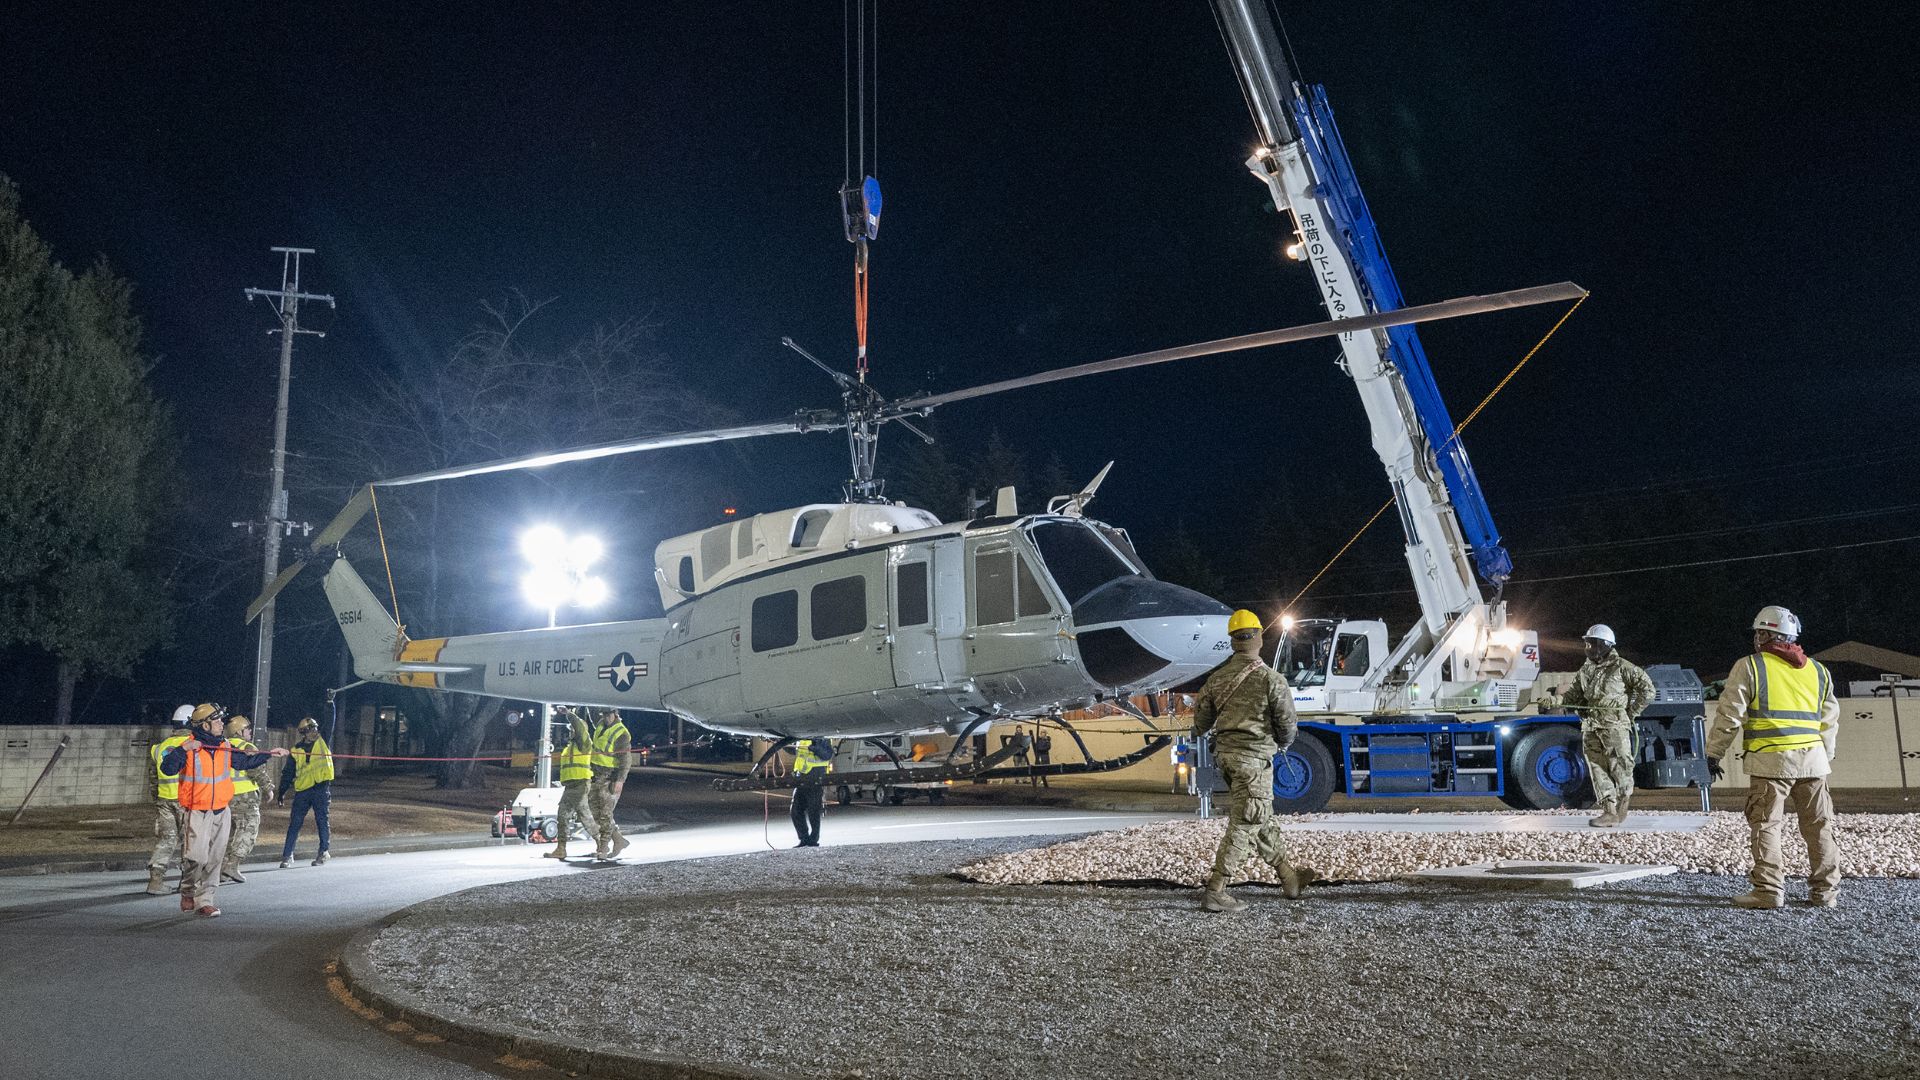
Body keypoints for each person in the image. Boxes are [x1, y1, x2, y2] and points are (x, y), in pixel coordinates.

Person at [1703, 606, 1841, 909]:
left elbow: (1729, 716)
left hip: (1770, 763)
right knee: (1819, 827)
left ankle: (1768, 891)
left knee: (1766, 825)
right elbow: (1829, 720)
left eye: (1759, 633)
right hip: (1814, 763)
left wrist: (1713, 753)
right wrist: (1824, 756)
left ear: (1769, 635)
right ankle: (1825, 893)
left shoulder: (1750, 666)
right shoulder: (1818, 671)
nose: (1756, 638)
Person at [1191, 609, 1314, 912]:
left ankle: (1289, 879)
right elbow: (1287, 725)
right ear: (1258, 638)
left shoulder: (1216, 680)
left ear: (1233, 641)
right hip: (1254, 760)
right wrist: (1282, 743)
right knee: (1247, 820)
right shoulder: (1271, 679)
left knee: (1261, 817)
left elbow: (1201, 724)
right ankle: (1216, 890)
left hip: (1227, 759)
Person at [157, 703, 287, 916]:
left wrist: (269, 754)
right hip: (197, 811)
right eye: (217, 720)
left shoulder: (224, 745)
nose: (221, 724)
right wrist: (183, 750)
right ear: (205, 725)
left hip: (221, 810)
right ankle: (188, 891)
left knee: (215, 859)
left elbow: (244, 762)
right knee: (196, 857)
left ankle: (205, 901)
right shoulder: (188, 746)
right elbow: (168, 768)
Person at [1553, 624, 1656, 827]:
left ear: (1605, 645)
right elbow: (1573, 695)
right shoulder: (1586, 669)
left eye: (1592, 643)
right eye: (1587, 643)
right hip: (1591, 726)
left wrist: (1630, 712)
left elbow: (1648, 690)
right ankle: (1609, 811)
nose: (1589, 647)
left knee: (1620, 766)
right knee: (1597, 769)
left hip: (1614, 727)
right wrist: (1555, 701)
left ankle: (1623, 802)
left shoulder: (1622, 667)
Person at [145, 705, 194, 895]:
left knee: (166, 840)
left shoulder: (159, 747)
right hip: (186, 801)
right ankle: (187, 883)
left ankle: (155, 881)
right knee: (189, 842)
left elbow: (153, 779)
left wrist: (157, 800)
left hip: (164, 800)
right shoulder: (193, 745)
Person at [276, 717, 335, 867]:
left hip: (321, 788)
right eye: (310, 730)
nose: (314, 732)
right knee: (295, 823)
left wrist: (330, 705)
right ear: (304, 733)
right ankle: (287, 855)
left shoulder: (323, 741)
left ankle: (323, 852)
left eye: (315, 728)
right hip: (303, 791)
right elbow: (288, 773)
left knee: (322, 821)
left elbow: (330, 719)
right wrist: (281, 792)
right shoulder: (296, 750)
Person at [544, 707, 599, 860]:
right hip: (571, 786)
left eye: (573, 729)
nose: (571, 731)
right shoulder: (571, 747)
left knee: (576, 816)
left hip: (580, 785)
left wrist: (569, 714)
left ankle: (601, 844)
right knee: (573, 816)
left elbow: (580, 728)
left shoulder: (584, 743)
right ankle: (563, 848)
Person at [219, 715, 268, 883]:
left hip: (227, 797)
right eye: (247, 729)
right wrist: (268, 787)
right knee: (248, 831)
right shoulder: (247, 747)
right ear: (239, 731)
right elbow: (255, 770)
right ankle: (232, 866)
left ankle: (221, 870)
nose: (250, 732)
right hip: (246, 797)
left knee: (229, 835)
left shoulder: (224, 746)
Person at [588, 708, 633, 860]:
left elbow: (625, 760)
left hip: (609, 778)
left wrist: (620, 781)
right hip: (595, 776)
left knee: (605, 815)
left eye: (608, 715)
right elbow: (592, 712)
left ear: (615, 714)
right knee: (594, 813)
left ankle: (604, 847)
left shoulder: (621, 733)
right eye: (604, 715)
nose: (606, 717)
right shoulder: (601, 724)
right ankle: (618, 840)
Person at [790, 737, 833, 847]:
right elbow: (794, 750)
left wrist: (815, 748)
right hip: (801, 776)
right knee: (795, 810)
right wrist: (780, 743)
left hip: (815, 777)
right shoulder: (801, 737)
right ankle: (804, 839)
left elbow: (827, 755)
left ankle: (813, 840)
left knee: (813, 811)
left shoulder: (822, 736)